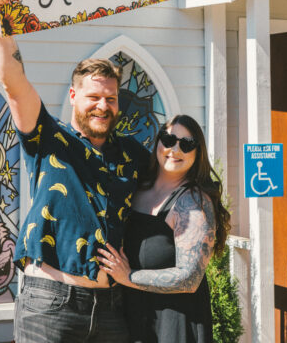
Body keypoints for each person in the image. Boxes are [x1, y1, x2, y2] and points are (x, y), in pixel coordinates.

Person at [0, 0, 150, 343]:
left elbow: (167, 190)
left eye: (110, 98)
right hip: (50, 304)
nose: (103, 106)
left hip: (110, 307)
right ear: (74, 97)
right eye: (93, 97)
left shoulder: (133, 155)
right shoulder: (48, 137)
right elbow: (13, 81)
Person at [98, 115, 231, 343]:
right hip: (133, 318)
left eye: (187, 144)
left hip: (175, 324)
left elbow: (189, 278)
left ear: (198, 153)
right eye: (168, 139)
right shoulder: (138, 188)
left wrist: (128, 276)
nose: (175, 149)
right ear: (158, 142)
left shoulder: (192, 202)